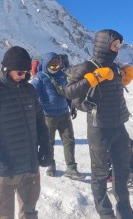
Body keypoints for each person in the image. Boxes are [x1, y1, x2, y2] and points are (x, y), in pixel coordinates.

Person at [0, 46, 52, 219]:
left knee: (29, 212)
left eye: (26, 73)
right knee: (3, 216)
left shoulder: (29, 90)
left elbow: (40, 122)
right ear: (7, 69)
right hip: (6, 169)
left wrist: (46, 147)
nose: (24, 77)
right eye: (20, 73)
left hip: (30, 166)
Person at [65, 29, 133, 219]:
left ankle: (125, 211)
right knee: (100, 174)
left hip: (119, 125)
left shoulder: (115, 66)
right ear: (105, 44)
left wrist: (124, 78)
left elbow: (111, 91)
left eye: (119, 45)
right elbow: (69, 92)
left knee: (122, 170)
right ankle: (106, 213)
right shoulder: (87, 66)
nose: (118, 48)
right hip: (99, 127)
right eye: (115, 44)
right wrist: (92, 78)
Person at [31, 52, 85, 180]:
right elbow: (32, 95)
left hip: (64, 114)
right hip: (48, 116)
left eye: (57, 64)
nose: (55, 67)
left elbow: (67, 93)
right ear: (46, 64)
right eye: (52, 65)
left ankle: (71, 168)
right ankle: (50, 164)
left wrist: (71, 106)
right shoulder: (40, 77)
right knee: (49, 142)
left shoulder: (62, 76)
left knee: (69, 141)